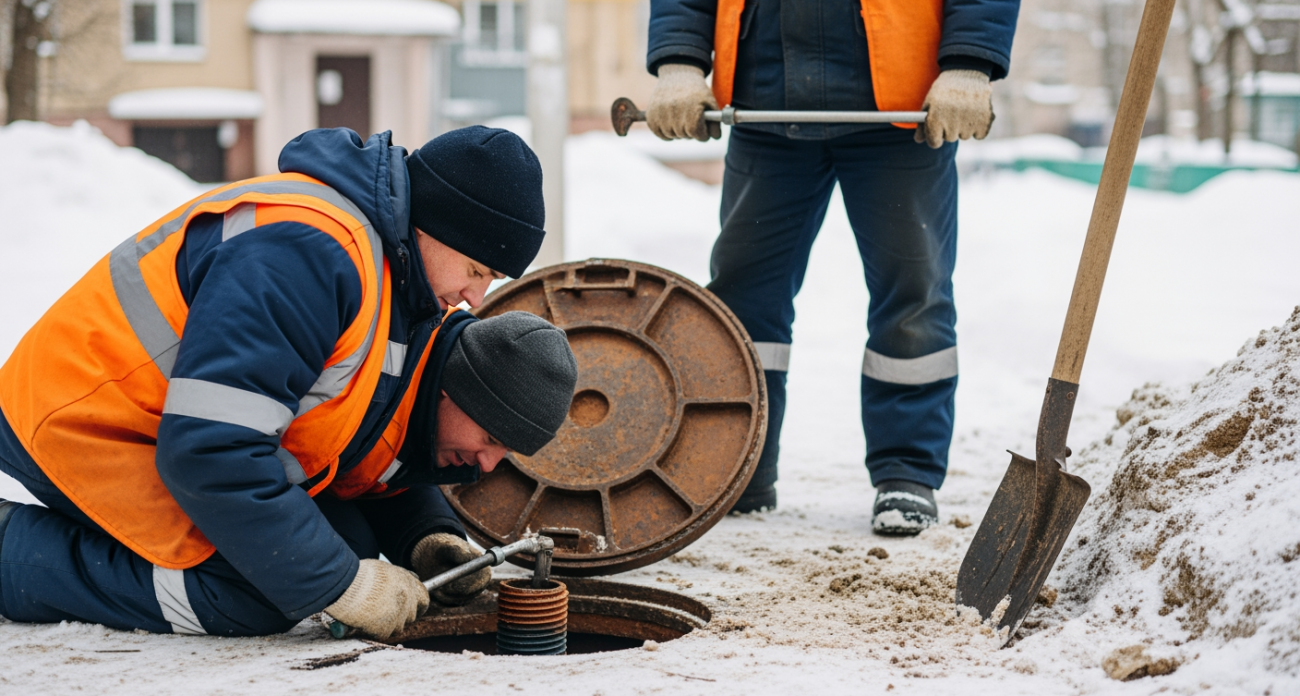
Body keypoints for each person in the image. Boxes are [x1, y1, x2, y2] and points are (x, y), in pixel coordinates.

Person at [0, 125, 579, 639]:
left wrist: (423, 535)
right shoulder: (310, 252)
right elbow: (213, 450)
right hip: (84, 415)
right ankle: (11, 555)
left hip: (151, 421)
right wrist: (339, 586)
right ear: (431, 222)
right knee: (261, 589)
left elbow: (362, 433)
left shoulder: (395, 281)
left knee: (337, 542)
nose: (476, 298)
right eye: (476, 269)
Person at [644, 0, 1019, 533]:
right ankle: (740, 465)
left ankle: (906, 472)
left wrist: (970, 62)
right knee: (743, 301)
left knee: (913, 295)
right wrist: (679, 59)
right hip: (765, 103)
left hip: (898, 109)